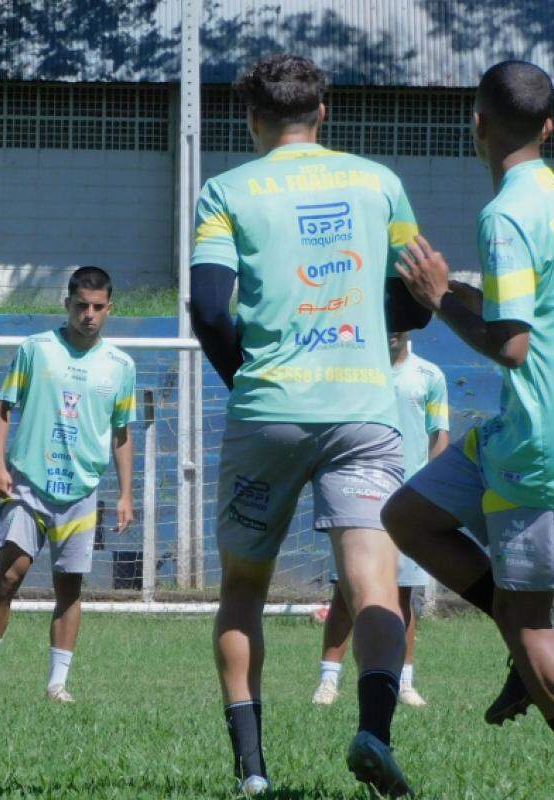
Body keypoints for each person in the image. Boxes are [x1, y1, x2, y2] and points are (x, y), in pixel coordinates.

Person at [385, 60, 554, 800]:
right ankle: (534, 638)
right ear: (551, 127)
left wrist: (438, 301)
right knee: (409, 516)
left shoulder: (504, 214)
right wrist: (467, 292)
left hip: (543, 440)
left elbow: (513, 344)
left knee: (530, 628)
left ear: (478, 123)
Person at [188, 54, 430, 797]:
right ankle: (374, 731)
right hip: (363, 406)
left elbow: (207, 307)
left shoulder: (225, 190)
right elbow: (417, 299)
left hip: (271, 410)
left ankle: (252, 771)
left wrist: (247, 379)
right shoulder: (379, 183)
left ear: (252, 119)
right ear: (322, 113)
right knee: (375, 584)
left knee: (241, 587)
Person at [0, 266, 136, 707]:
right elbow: (3, 406)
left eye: (98, 307)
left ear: (109, 308)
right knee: (10, 574)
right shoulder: (36, 350)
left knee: (70, 587)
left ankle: (57, 683)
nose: (89, 315)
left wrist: (126, 494)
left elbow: (122, 432)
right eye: (81, 306)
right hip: (28, 483)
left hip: (81, 491)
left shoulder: (120, 366)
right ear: (67, 304)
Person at [313, 327, 449, 708]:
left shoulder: (430, 376)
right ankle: (328, 680)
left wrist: (436, 492)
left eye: (400, 324)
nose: (392, 330)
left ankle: (404, 682)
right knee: (345, 591)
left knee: (404, 593)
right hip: (362, 490)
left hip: (410, 499)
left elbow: (438, 435)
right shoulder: (357, 371)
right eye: (386, 322)